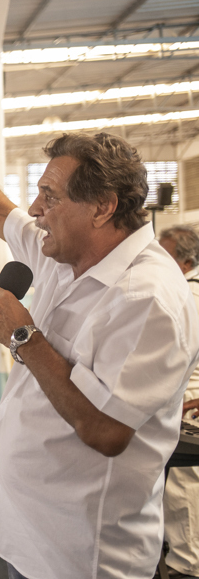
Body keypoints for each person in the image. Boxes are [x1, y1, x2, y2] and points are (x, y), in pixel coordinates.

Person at [0, 70, 199, 579]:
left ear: (102, 207)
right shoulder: (60, 252)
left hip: (85, 552)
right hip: (31, 533)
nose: (36, 209)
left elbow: (105, 430)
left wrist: (23, 337)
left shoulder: (149, 298)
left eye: (50, 196)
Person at [159, 225, 199, 577]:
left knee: (183, 491)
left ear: (186, 262)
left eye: (165, 254)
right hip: (179, 399)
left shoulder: (190, 295)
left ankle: (186, 567)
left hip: (191, 405)